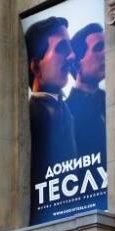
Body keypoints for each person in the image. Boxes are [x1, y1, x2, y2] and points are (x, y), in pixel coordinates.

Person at [25, 16, 78, 201]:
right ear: (36, 67)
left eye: (70, 48)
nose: (72, 55)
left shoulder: (69, 111)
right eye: (62, 48)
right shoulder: (29, 117)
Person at [66, 23, 107, 162]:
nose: (106, 52)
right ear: (77, 64)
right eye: (98, 48)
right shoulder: (65, 113)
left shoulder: (114, 102)